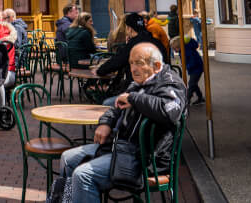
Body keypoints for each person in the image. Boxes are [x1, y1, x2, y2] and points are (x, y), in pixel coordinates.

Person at [59, 42, 187, 203]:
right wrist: (105, 123)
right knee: (67, 158)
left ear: (157, 65)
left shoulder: (171, 83)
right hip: (121, 148)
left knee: (83, 175)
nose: (133, 68)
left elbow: (170, 111)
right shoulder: (139, 82)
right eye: (131, 63)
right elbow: (116, 107)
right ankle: (67, 201)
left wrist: (134, 98)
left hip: (146, 158)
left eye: (139, 63)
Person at [96, 13, 168, 102]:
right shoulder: (157, 42)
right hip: (161, 89)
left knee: (106, 103)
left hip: (141, 93)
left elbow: (116, 62)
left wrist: (99, 71)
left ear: (129, 29)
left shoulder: (133, 45)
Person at [184, 34, 205, 105]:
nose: (174, 50)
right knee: (194, 84)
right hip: (196, 68)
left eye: (175, 48)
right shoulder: (187, 48)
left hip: (196, 69)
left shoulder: (187, 50)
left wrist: (187, 66)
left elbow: (193, 62)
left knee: (191, 84)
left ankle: (187, 100)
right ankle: (200, 98)